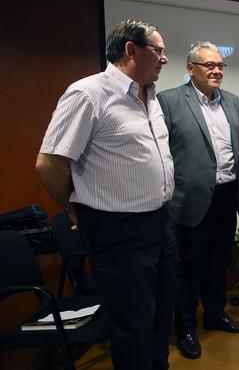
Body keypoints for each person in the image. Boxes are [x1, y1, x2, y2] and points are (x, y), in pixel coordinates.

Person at [35, 19, 176, 369]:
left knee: (162, 315)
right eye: (158, 50)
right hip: (118, 228)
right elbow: (50, 163)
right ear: (131, 50)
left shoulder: (150, 96)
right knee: (133, 325)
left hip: (160, 221)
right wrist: (73, 209)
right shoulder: (88, 93)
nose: (164, 58)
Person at [157, 42, 239, 360]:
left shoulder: (232, 100)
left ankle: (216, 314)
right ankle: (186, 328)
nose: (217, 70)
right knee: (189, 267)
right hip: (189, 199)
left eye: (220, 65)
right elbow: (162, 152)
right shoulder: (168, 100)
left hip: (226, 194)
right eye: (209, 65)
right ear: (190, 68)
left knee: (219, 261)